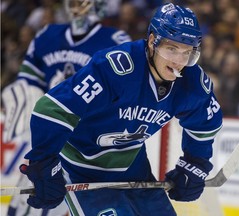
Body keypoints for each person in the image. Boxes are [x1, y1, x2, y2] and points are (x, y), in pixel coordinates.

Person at [18, 3, 223, 216]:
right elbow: (50, 109)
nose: (179, 61)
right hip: (82, 169)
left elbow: (206, 122)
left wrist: (194, 163)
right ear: (153, 41)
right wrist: (43, 162)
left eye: (187, 52)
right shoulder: (116, 69)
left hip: (133, 167)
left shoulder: (192, 81)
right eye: (171, 48)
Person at [2, 0, 131, 215]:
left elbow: (122, 94)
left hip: (86, 144)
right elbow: (31, 79)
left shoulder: (114, 41)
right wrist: (24, 89)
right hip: (52, 135)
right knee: (23, 206)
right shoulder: (47, 35)